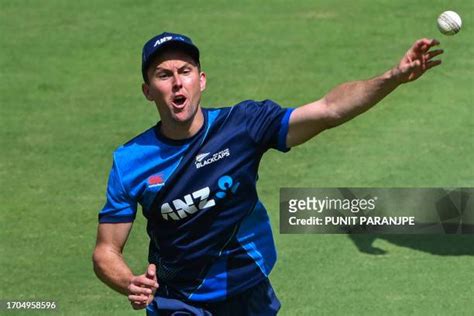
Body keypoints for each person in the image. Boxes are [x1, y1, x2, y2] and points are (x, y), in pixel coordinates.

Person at [92, 32, 443, 315]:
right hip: (178, 298)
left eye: (185, 72)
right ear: (148, 91)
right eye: (163, 75)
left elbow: (328, 110)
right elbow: (106, 250)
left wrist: (391, 78)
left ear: (201, 80)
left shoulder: (242, 125)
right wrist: (129, 282)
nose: (177, 83)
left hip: (247, 287)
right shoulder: (131, 161)